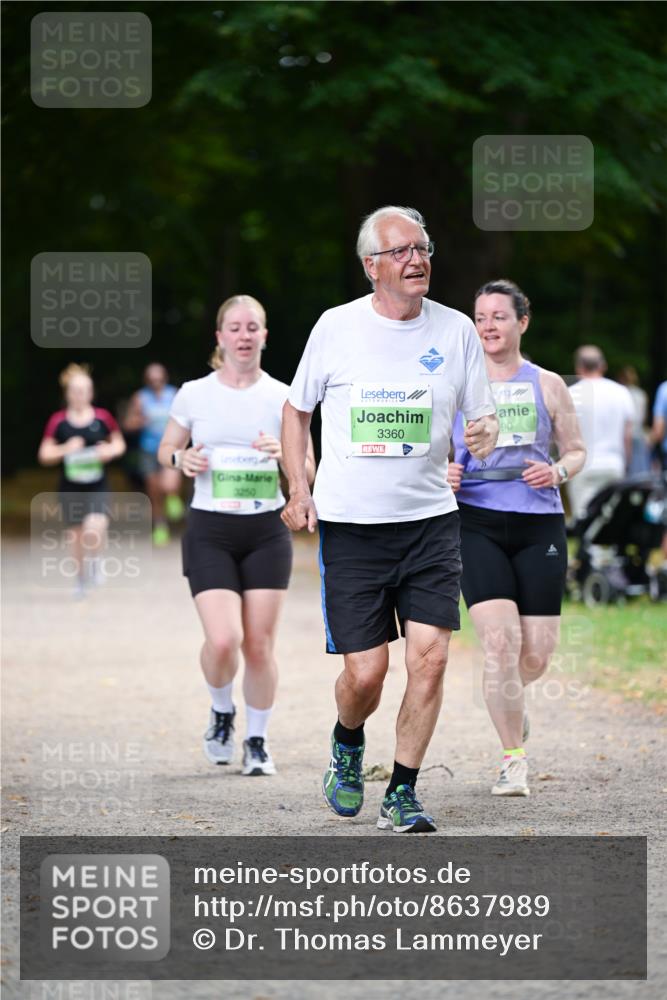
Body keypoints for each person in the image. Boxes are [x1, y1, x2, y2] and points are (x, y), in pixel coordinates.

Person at [281, 205, 498, 833]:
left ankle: (402, 791)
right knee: (366, 670)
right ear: (371, 265)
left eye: (423, 248)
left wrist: (483, 433)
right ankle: (348, 742)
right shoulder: (336, 327)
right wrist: (300, 486)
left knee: (429, 659)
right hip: (352, 526)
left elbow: (480, 422)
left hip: (431, 521)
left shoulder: (456, 331)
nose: (417, 259)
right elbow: (297, 411)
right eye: (401, 251)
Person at [157, 295, 316, 777]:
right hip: (211, 529)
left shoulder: (284, 397)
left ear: (265, 336)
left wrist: (283, 458)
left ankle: (258, 740)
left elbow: (309, 467)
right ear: (220, 337)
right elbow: (167, 449)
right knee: (225, 640)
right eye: (235, 327)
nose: (244, 336)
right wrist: (180, 461)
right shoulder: (193, 394)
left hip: (267, 531)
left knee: (259, 645)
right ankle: (222, 709)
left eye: (253, 327)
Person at [448, 280, 586, 797]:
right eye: (480, 317)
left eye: (499, 316)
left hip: (538, 523)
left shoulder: (548, 384)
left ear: (522, 323)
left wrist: (557, 473)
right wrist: (446, 471)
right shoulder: (458, 385)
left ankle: (509, 704)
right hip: (476, 520)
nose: (488, 325)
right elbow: (432, 449)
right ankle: (513, 759)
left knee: (536, 655)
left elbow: (576, 450)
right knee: (500, 644)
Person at [37, 363, 126, 597]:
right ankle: (80, 580)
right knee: (75, 536)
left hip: (97, 484)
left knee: (94, 528)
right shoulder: (58, 422)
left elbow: (119, 444)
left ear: (91, 392)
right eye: (76, 390)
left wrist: (109, 451)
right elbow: (44, 455)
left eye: (85, 389)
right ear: (67, 393)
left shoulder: (103, 418)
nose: (80, 394)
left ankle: (95, 559)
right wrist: (65, 448)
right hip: (70, 487)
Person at [566, 346, 634, 521]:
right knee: (611, 522)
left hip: (583, 466)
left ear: (578, 367)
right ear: (602, 365)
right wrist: (626, 463)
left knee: (584, 522)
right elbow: (627, 437)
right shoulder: (621, 392)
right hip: (614, 464)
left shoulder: (572, 393)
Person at [124, 364, 184, 545]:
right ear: (147, 381)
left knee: (169, 484)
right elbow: (128, 424)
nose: (156, 383)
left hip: (171, 447)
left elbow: (186, 421)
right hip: (148, 450)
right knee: (154, 491)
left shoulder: (174, 394)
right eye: (152, 380)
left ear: (165, 378)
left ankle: (173, 496)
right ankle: (160, 527)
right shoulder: (140, 398)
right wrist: (140, 421)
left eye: (159, 379)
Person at [617, 365, 650, 475]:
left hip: (624, 434)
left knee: (625, 469)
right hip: (638, 433)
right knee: (640, 468)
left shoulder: (620, 392)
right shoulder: (641, 394)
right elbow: (643, 417)